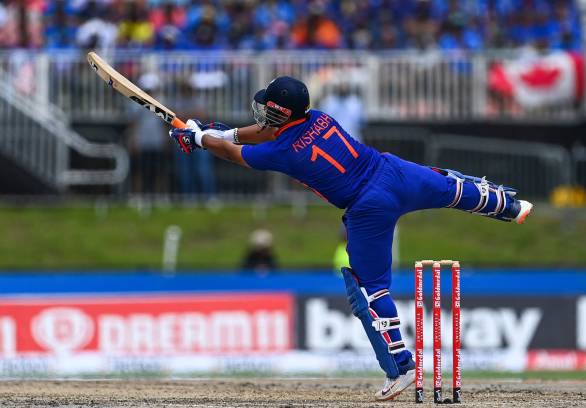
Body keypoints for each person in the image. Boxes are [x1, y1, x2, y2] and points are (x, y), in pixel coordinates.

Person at [169, 76, 533, 401]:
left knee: (370, 288)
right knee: (450, 187)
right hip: (392, 171)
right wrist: (221, 133)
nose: (262, 112)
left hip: (367, 205)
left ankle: (402, 367)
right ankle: (510, 206)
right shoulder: (319, 117)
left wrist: (201, 138)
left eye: (267, 108)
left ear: (280, 112)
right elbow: (259, 133)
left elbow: (239, 153)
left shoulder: (281, 152)